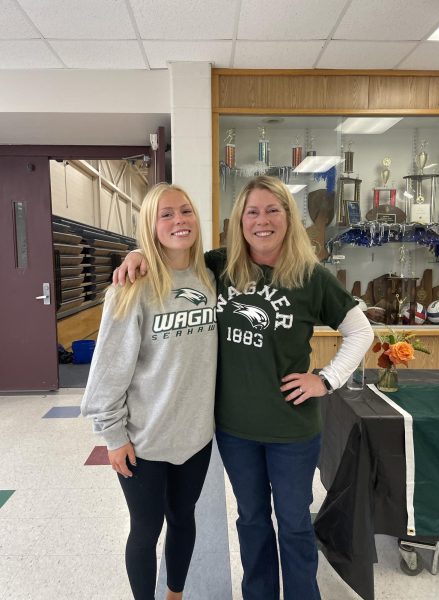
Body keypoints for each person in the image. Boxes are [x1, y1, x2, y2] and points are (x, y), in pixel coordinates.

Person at [114, 175, 374, 600]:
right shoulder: (218, 265)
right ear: (239, 221)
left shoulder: (310, 276)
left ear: (289, 218)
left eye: (273, 210)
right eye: (252, 212)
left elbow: (361, 331)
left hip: (292, 430)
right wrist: (140, 251)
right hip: (235, 430)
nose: (262, 220)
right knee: (251, 520)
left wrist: (325, 379)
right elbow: (175, 254)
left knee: (293, 523)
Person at [81, 183, 217, 600]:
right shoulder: (131, 287)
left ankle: (174, 595)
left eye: (186, 211)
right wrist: (113, 437)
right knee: (145, 529)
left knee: (183, 518)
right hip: (142, 440)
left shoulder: (211, 277)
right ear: (150, 226)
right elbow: (108, 370)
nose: (179, 221)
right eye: (166, 214)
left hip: (195, 437)